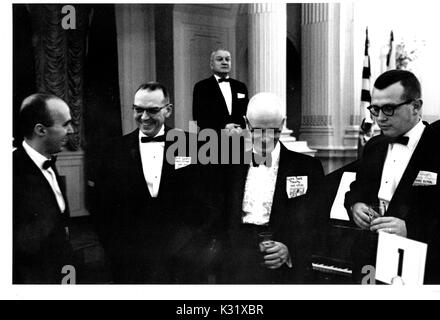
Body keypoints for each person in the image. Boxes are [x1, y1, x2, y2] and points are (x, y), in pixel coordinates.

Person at [94, 82, 220, 283]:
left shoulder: (194, 145)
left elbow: (209, 200)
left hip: (184, 262)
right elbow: (102, 209)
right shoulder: (112, 150)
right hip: (133, 262)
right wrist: (118, 252)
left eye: (152, 110)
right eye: (138, 110)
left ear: (168, 110)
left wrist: (195, 248)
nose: (144, 117)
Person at [345, 69, 440, 284]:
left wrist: (411, 229)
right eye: (375, 109)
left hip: (424, 266)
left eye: (388, 109)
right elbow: (355, 190)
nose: (379, 118)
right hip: (372, 259)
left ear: (416, 107)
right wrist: (355, 205)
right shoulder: (374, 146)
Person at [219, 92, 324, 284]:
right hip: (237, 262)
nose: (266, 138)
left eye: (274, 130)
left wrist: (289, 248)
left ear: (283, 124)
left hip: (283, 268)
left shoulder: (307, 167)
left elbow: (317, 221)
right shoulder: (228, 166)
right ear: (246, 124)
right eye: (258, 130)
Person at [13, 93, 75, 283]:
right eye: (65, 124)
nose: (71, 130)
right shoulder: (12, 173)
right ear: (41, 130)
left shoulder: (48, 160)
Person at [192, 48, 249, 133]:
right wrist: (223, 127)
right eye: (219, 59)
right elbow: (198, 117)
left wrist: (241, 127)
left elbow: (246, 113)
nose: (224, 62)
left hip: (237, 139)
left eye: (227, 59)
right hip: (212, 140)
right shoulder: (201, 87)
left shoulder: (241, 86)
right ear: (211, 64)